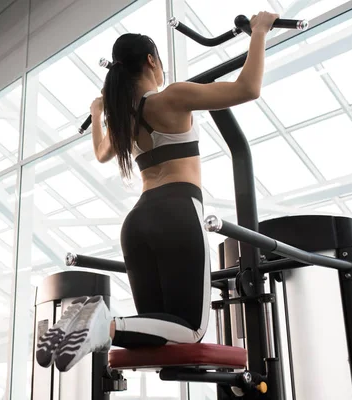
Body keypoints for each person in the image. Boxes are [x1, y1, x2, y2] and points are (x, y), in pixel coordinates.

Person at [36, 11, 280, 373]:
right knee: (191, 330)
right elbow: (248, 89)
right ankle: (103, 322)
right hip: (177, 210)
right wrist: (258, 32)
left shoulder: (124, 120)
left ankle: (93, 323)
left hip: (136, 223)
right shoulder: (170, 97)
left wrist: (98, 111)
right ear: (152, 60)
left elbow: (102, 153)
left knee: (158, 323)